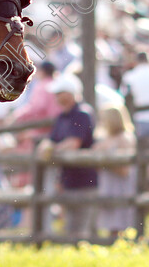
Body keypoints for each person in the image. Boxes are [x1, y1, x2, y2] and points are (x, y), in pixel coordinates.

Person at [37, 72, 97, 238]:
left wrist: (51, 150)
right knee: (71, 226)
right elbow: (50, 140)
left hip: (84, 181)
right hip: (68, 180)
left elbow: (73, 143)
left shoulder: (82, 114)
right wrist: (47, 146)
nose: (56, 97)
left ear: (70, 93)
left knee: (80, 228)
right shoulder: (62, 117)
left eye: (59, 93)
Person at [93, 105, 136, 238]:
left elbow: (125, 170)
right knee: (110, 224)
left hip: (120, 186)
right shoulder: (105, 139)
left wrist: (105, 163)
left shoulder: (125, 138)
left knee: (120, 221)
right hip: (108, 185)